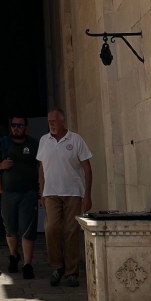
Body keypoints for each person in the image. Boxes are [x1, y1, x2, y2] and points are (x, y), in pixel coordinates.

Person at [37, 108, 93, 287]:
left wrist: (87, 194)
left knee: (71, 231)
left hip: (73, 193)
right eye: (49, 121)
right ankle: (57, 266)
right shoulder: (44, 140)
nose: (51, 124)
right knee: (51, 228)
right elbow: (41, 169)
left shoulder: (75, 140)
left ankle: (71, 272)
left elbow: (87, 168)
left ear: (63, 121)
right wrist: (42, 192)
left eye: (54, 121)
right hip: (51, 193)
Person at [0, 116, 39, 278]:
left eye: (20, 125)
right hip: (8, 193)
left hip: (28, 193)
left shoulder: (33, 144)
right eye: (14, 125)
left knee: (28, 229)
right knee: (10, 228)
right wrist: (1, 165)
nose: (16, 128)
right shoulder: (3, 143)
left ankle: (27, 265)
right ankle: (13, 255)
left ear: (26, 127)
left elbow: (41, 165)